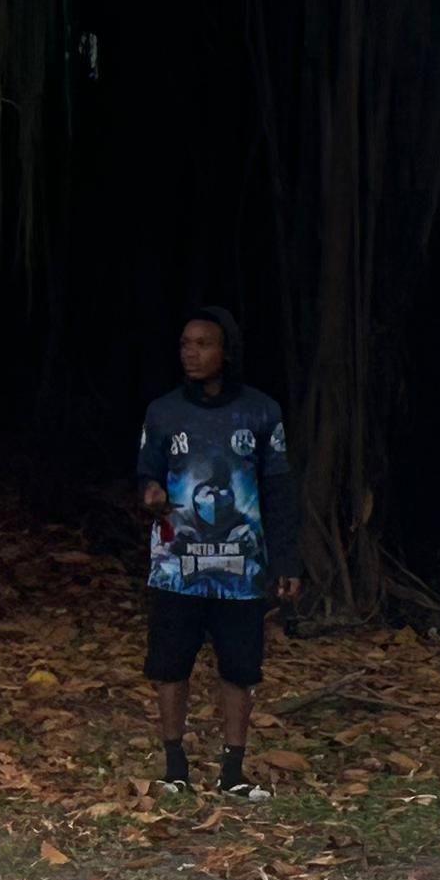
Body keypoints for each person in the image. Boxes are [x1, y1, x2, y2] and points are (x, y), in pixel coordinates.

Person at [136, 306, 297, 794]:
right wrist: (150, 494)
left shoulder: (261, 412)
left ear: (226, 351)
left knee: (241, 667)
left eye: (203, 343)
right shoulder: (163, 413)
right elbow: (147, 471)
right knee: (169, 666)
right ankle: (174, 767)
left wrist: (288, 561)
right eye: (186, 343)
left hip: (239, 571)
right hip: (176, 568)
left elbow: (280, 491)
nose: (192, 353)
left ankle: (233, 772)